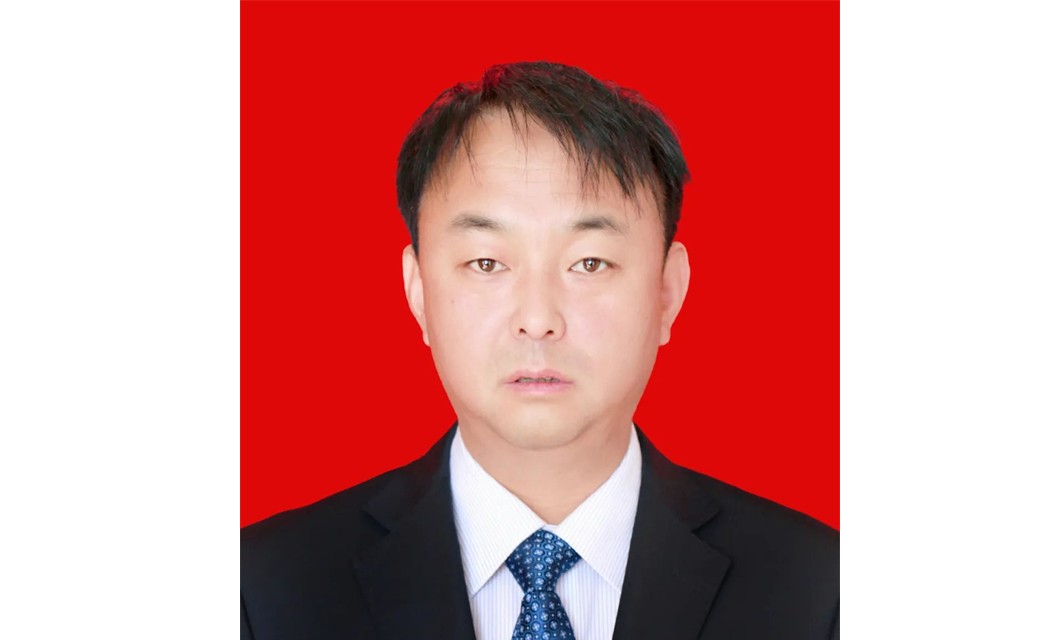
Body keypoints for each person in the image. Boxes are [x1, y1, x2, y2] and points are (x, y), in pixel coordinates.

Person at [241, 61, 838, 640]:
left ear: (666, 292)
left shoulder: (821, 591)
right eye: (486, 263)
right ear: (418, 291)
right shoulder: (262, 591)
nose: (537, 320)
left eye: (589, 263)